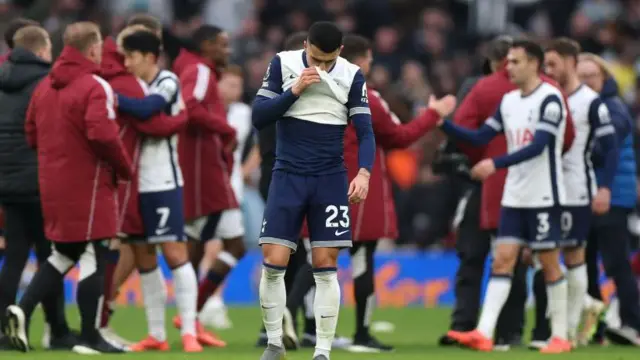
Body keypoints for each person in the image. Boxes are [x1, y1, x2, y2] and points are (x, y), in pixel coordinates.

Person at [4, 21, 132, 354]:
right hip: (89, 183)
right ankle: (90, 336)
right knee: (94, 253)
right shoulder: (94, 86)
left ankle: (22, 308)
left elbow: (31, 131)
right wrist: (123, 167)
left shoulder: (45, 86)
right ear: (92, 49)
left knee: (63, 253)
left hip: (50, 183)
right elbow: (103, 134)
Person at [252, 21, 376, 360]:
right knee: (273, 260)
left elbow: (365, 132)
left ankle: (322, 351)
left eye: (327, 61)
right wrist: (293, 91)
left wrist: (363, 173)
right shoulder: (282, 63)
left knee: (325, 263)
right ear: (305, 46)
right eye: (314, 59)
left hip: (329, 179)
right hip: (288, 174)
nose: (319, 68)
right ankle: (275, 343)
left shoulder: (352, 75)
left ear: (340, 52)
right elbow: (259, 116)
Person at [443, 39, 571, 353]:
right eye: (508, 61)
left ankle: (560, 336)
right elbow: (481, 136)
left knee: (549, 263)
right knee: (503, 261)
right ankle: (484, 333)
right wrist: (441, 122)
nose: (507, 67)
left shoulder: (551, 99)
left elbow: (539, 145)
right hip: (514, 196)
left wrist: (494, 163)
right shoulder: (509, 101)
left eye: (515, 61)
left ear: (534, 64)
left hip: (544, 196)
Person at [111, 28, 203, 352]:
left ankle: (189, 330)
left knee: (175, 253)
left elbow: (149, 108)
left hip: (163, 182)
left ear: (149, 57)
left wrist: (114, 99)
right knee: (144, 257)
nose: (127, 63)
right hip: (135, 184)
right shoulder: (132, 84)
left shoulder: (167, 81)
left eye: (131, 57)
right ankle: (157, 335)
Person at [439, 36, 534, 349]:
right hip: (517, 182)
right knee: (512, 257)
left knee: (475, 256)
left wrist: (470, 162)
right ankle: (511, 330)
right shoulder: (537, 89)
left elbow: (463, 136)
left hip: (483, 181)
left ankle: (464, 324)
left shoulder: (480, 88)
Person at [530, 38, 618, 348]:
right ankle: (576, 314)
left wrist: (604, 187)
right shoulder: (547, 97)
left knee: (574, 257)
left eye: (554, 64)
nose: (549, 70)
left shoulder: (591, 102)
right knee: (544, 260)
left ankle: (565, 332)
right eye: (546, 65)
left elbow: (610, 150)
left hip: (576, 191)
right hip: (545, 190)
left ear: (571, 62)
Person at [0, 25, 76, 351]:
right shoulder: (49, 83)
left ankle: (4, 332)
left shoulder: (2, 81)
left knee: (14, 260)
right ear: (43, 50)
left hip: (7, 184)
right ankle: (58, 330)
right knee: (53, 257)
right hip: (43, 181)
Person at [98, 15, 171, 343]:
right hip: (140, 179)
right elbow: (149, 119)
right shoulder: (128, 82)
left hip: (140, 178)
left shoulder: (114, 79)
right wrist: (180, 120)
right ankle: (100, 319)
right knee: (129, 247)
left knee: (142, 250)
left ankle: (153, 331)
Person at [172, 24, 239, 347]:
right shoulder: (198, 69)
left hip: (206, 169)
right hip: (202, 173)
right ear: (206, 45)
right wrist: (224, 128)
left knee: (211, 244)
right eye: (222, 45)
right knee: (221, 245)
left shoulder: (197, 68)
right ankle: (189, 316)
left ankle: (190, 315)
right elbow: (190, 105)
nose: (227, 51)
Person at [255, 30, 319, 349]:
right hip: (293, 176)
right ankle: (287, 318)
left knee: (285, 254)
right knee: (304, 253)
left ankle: (301, 325)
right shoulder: (293, 93)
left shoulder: (269, 92)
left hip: (275, 176)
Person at [578, 53, 640, 345]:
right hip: (586, 194)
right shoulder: (588, 106)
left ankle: (633, 323)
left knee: (616, 262)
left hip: (612, 195)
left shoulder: (613, 109)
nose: (587, 80)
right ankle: (596, 327)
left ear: (604, 79)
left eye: (592, 75)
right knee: (586, 262)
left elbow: (606, 147)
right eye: (582, 75)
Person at [199, 64, 254, 330]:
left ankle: (209, 302)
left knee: (227, 247)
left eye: (238, 85)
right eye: (230, 84)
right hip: (207, 188)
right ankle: (211, 303)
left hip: (234, 189)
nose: (235, 90)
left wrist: (245, 171)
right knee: (212, 247)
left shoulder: (244, 113)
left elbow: (258, 145)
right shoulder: (206, 111)